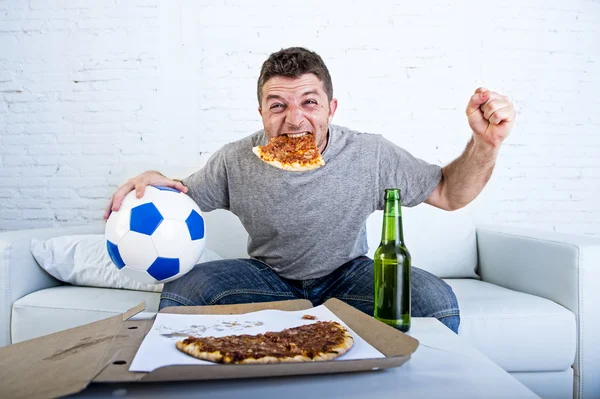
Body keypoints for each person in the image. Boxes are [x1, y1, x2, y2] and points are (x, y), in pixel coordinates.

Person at [104, 47, 516, 334]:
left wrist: (486, 144)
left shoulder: (369, 153)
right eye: (278, 105)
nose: (294, 119)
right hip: (267, 277)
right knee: (183, 293)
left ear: (331, 109)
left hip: (348, 274)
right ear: (261, 112)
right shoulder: (235, 159)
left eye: (309, 102)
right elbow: (179, 202)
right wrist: (156, 183)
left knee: (435, 300)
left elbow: (448, 193)